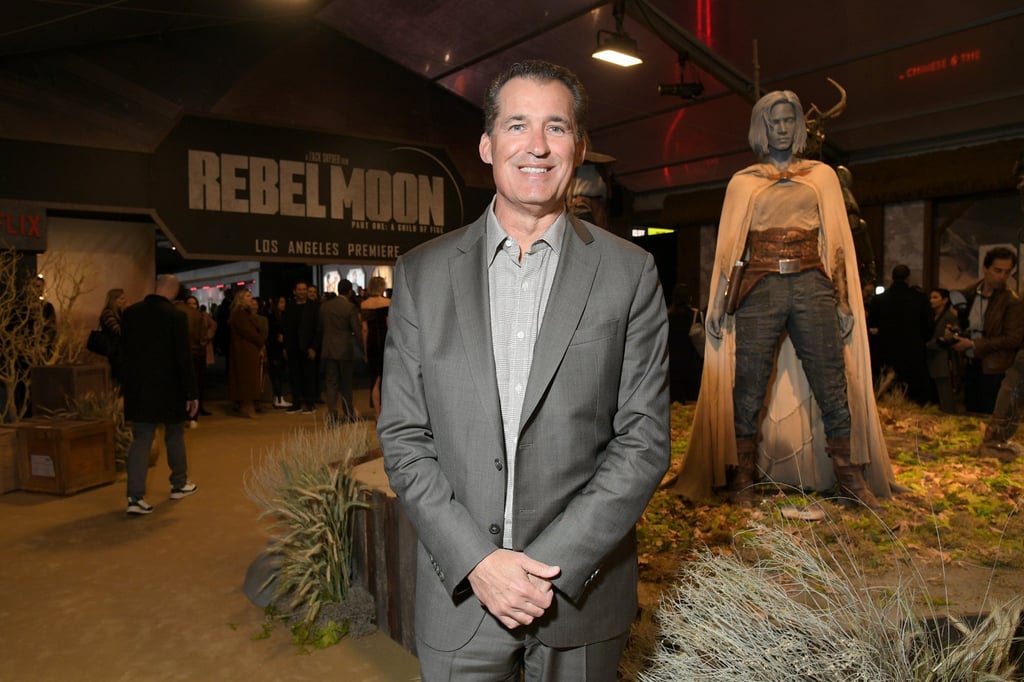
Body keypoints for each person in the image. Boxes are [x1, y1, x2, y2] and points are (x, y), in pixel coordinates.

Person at [377, 60, 670, 681]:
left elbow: (643, 442)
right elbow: (404, 439)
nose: (536, 146)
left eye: (556, 128)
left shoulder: (630, 273)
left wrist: (548, 567)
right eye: (517, 125)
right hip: (461, 596)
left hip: (579, 601)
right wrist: (479, 562)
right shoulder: (422, 276)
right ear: (487, 146)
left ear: (579, 147)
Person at [675, 89, 894, 510]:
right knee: (749, 384)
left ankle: (849, 478)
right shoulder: (744, 181)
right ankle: (743, 477)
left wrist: (844, 300)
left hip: (812, 281)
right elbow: (728, 249)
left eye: (788, 120)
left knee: (830, 379)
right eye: (774, 121)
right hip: (761, 284)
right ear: (762, 127)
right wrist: (718, 303)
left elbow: (836, 241)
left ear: (799, 126)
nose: (781, 128)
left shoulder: (822, 176)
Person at [120, 274, 198, 515]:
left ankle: (135, 498)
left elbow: (124, 352)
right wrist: (191, 392)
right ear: (173, 291)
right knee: (174, 434)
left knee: (142, 439)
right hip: (169, 388)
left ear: (155, 287)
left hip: (139, 388)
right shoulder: (176, 317)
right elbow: (183, 358)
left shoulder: (131, 313)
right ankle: (178, 484)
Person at [952, 246, 1024, 414]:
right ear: (985, 268)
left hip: (996, 369)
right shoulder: (970, 292)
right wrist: (954, 332)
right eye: (997, 270)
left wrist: (973, 344)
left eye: (1007, 272)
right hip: (969, 366)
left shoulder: (1012, 300)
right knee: (969, 415)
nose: (1002, 276)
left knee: (991, 417)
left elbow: (1013, 339)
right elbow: (964, 322)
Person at [867, 264, 932, 404]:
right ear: (908, 279)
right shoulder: (919, 299)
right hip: (913, 355)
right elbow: (928, 328)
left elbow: (872, 326)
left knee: (886, 395)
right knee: (913, 398)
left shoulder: (879, 300)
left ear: (892, 278)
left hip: (886, 354)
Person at [318, 278, 361, 425]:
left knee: (331, 383)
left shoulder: (325, 307)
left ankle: (332, 415)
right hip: (345, 350)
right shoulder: (350, 308)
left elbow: (320, 328)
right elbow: (357, 330)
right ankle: (348, 414)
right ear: (349, 291)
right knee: (346, 384)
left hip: (328, 349)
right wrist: (363, 348)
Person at [228, 289, 264, 418]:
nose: (251, 298)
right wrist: (261, 341)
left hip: (248, 350)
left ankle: (248, 405)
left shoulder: (243, 313)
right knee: (247, 378)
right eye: (248, 296)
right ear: (241, 299)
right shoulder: (239, 314)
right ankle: (247, 406)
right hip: (244, 351)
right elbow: (248, 332)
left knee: (249, 378)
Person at [284, 281, 318, 415]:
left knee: (308, 376)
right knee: (294, 376)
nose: (302, 292)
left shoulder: (314, 307)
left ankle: (310, 403)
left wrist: (313, 347)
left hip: (308, 348)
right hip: (292, 347)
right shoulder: (290, 307)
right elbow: (286, 328)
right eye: (299, 290)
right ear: (295, 291)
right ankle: (296, 403)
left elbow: (317, 329)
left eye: (304, 289)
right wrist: (286, 347)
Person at [925, 288, 960, 414]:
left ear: (944, 300)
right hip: (934, 358)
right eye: (931, 297)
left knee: (946, 394)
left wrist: (930, 344)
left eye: (935, 297)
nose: (931, 300)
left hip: (944, 359)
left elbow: (950, 338)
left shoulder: (949, 316)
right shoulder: (934, 315)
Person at [666, 283, 702, 403]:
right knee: (693, 403)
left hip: (673, 365)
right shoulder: (696, 315)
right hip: (693, 365)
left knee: (676, 405)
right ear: (689, 298)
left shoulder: (667, 316)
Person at [360, 276, 390, 420]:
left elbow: (364, 329)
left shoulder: (364, 304)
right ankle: (387, 411)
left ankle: (377, 413)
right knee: (386, 378)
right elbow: (390, 326)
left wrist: (365, 350)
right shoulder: (388, 303)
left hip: (372, 343)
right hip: (385, 343)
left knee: (375, 379)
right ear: (381, 287)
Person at [98, 287, 128, 385]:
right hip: (114, 350)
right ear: (114, 300)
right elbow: (118, 330)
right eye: (122, 298)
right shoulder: (108, 313)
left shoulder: (118, 313)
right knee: (119, 376)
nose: (124, 301)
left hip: (118, 349)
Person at [266, 295, 291, 408]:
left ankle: (279, 397)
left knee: (280, 373)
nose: (283, 304)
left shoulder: (283, 316)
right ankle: (278, 398)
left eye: (284, 302)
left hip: (280, 348)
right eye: (281, 302)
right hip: (275, 349)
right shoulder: (272, 317)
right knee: (276, 373)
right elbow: (271, 334)